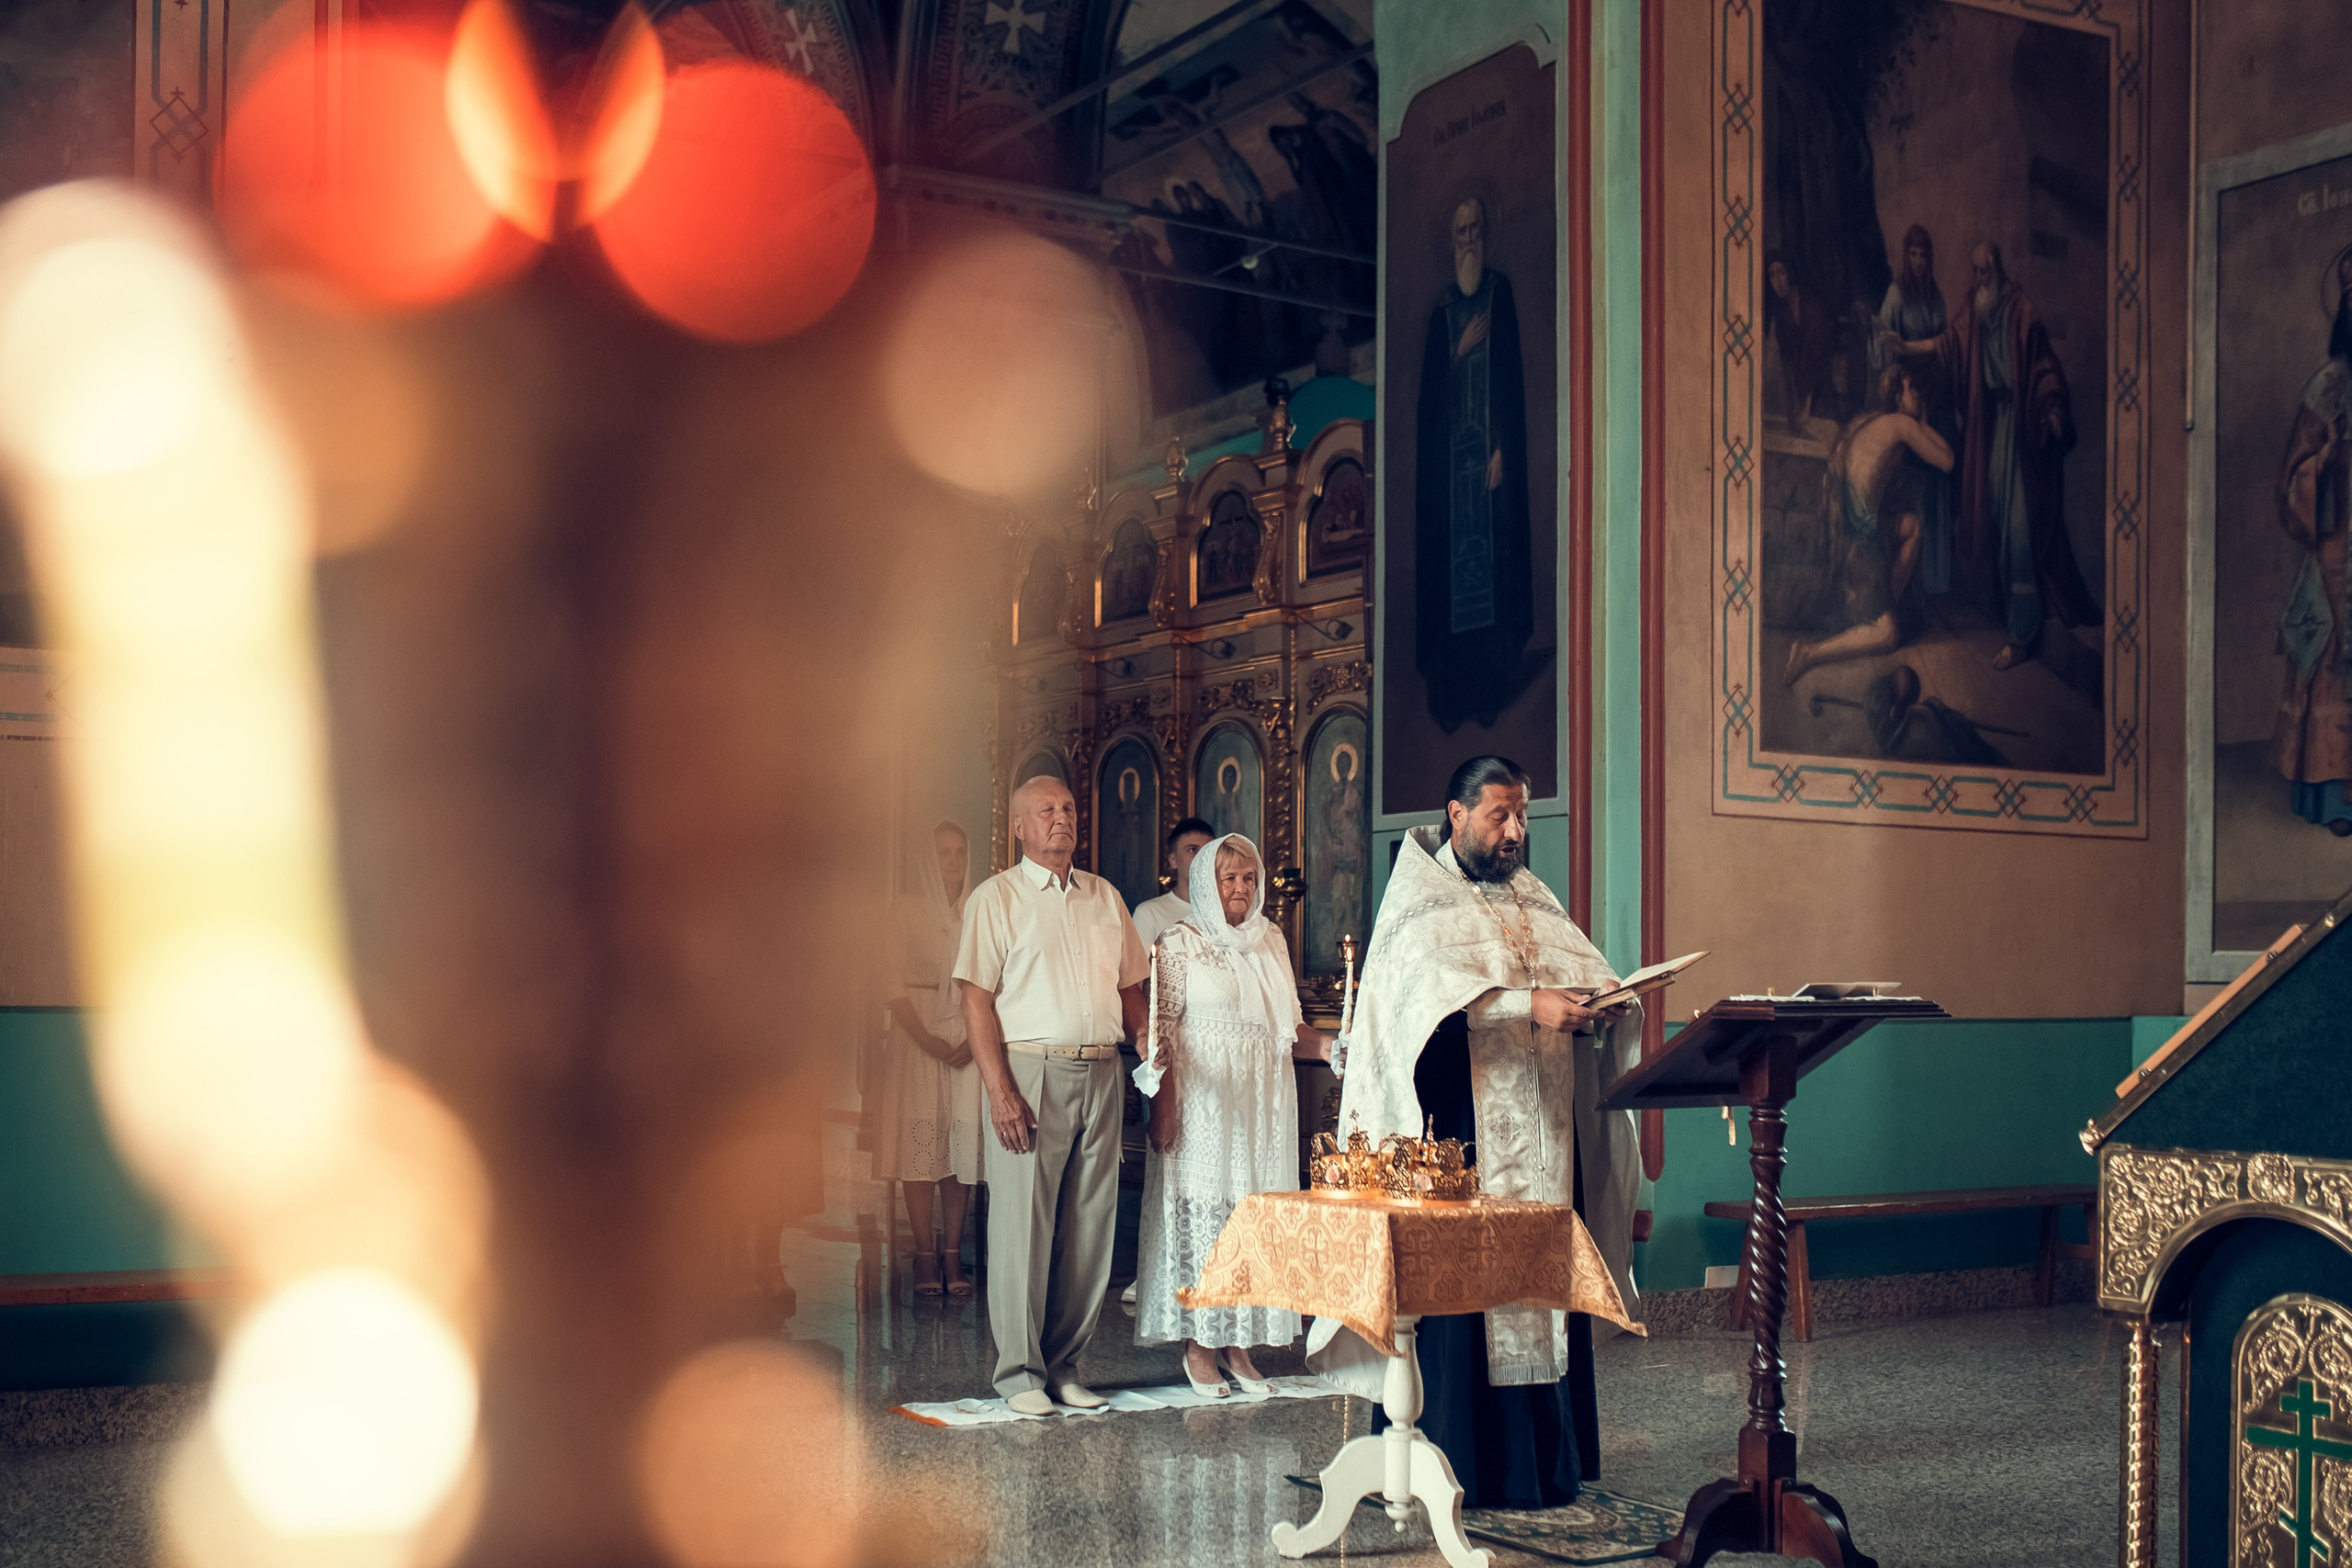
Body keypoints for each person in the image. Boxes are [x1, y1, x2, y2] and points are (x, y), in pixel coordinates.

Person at [1308, 755, 1642, 1510]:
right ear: (1456, 815)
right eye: (1500, 816)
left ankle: (1546, 1462)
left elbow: (1575, 970)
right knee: (1472, 1291)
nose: (1516, 831)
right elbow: (1412, 1005)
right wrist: (1522, 1005)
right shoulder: (1420, 900)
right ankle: (1465, 1459)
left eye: (1520, 814)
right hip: (1461, 1130)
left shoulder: (1530, 893)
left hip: (1544, 1128)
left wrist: (1603, 1003)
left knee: (1541, 1285)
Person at [956, 775, 1148, 1415]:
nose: (1061, 818)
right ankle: (1019, 1375)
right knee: (1022, 1227)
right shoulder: (996, 898)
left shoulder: (1104, 896)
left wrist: (1149, 1050)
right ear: (1019, 826)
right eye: (1046, 810)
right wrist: (1000, 1090)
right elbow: (975, 999)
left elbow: (1130, 991)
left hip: (1101, 1069)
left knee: (1091, 1228)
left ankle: (1065, 1365)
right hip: (1029, 1072)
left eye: (1068, 808)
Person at [1135, 834, 1329, 1396]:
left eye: (1247, 878)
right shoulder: (1178, 942)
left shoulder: (1271, 940)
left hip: (1262, 1102)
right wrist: (1163, 1108)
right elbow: (1161, 1032)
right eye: (1228, 879)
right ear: (1204, 885)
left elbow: (1292, 1031)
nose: (1240, 888)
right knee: (1208, 1216)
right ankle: (1199, 1344)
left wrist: (1337, 1049)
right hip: (1202, 1100)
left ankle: (1238, 1342)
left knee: (1252, 1216)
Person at [1884, 241, 2098, 669]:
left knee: (2020, 528)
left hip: (2020, 426)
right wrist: (1906, 349)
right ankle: (2017, 620)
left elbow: (2045, 369)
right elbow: (1946, 345)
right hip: (1993, 429)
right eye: (1975, 272)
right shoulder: (1975, 311)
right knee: (1997, 521)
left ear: (1999, 271)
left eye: (1986, 271)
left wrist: (2053, 406)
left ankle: (2021, 635)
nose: (1979, 279)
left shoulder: (2023, 312)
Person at [1416, 197, 1538, 732]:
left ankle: (1488, 692)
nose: (1468, 239)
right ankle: (1453, 695)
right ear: (1451, 242)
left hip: (1485, 466)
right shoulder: (1444, 312)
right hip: (1449, 480)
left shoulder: (1498, 293)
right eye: (1460, 230)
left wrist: (1504, 449)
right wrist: (1461, 350)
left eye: (1474, 229)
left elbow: (1511, 377)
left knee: (1489, 580)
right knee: (1450, 585)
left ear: (1485, 235)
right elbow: (1429, 399)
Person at [1783, 366, 1955, 686]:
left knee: (1911, 526)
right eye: (1913, 391)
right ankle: (1810, 652)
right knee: (1889, 636)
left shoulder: (1871, 419)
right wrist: (1923, 423)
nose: (1920, 399)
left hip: (1854, 531)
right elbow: (1947, 461)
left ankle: (1881, 603)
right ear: (1898, 395)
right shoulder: (1903, 424)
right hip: (1859, 543)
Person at [872, 819, 983, 1298]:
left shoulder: (979, 908)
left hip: (968, 1036)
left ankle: (954, 1253)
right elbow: (889, 984)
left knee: (958, 1152)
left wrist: (974, 1042)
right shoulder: (905, 910)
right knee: (921, 1149)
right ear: (927, 859)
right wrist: (924, 1037)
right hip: (916, 1038)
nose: (952, 861)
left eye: (959, 852)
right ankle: (922, 1253)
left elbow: (993, 978)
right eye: (943, 852)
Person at [2268, 241, 2352, 836]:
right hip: (2337, 545)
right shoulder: (2326, 387)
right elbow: (2291, 479)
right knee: (2330, 654)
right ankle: (2335, 799)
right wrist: (2325, 459)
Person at [1869, 225, 1957, 593]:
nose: (1919, 262)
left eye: (1925, 255)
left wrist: (1913, 348)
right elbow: (1882, 345)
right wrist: (1891, 348)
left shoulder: (1936, 298)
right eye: (1913, 255)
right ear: (1906, 256)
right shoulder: (1896, 293)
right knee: (1912, 483)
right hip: (1907, 397)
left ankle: (1938, 580)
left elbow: (1944, 344)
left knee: (1939, 477)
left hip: (1933, 395)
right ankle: (1911, 581)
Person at [1765, 252, 1837, 434]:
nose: (1778, 281)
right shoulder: (1780, 312)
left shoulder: (1812, 305)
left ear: (1789, 273)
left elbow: (1816, 358)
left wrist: (1806, 405)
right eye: (1772, 275)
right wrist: (1795, 403)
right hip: (1801, 390)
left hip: (1821, 387)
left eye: (1781, 273)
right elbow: (1787, 359)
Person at [1133, 818, 1216, 948]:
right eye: (1192, 849)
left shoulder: (1226, 911)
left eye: (1207, 850)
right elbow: (1140, 967)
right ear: (1173, 860)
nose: (1202, 857)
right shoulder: (1149, 914)